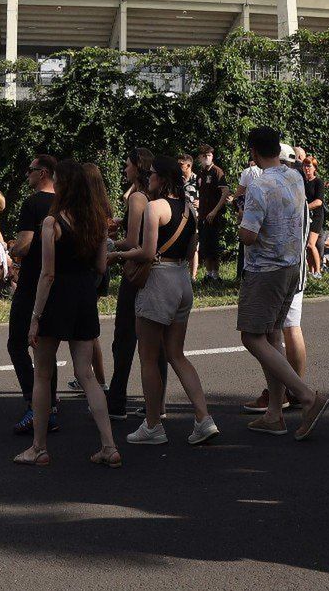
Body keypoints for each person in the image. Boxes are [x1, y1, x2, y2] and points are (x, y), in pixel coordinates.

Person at [16, 159, 118, 467]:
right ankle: (109, 445)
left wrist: (35, 316)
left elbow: (47, 274)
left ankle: (39, 447)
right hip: (84, 295)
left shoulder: (52, 223)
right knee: (86, 375)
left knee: (43, 375)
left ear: (65, 185)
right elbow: (101, 267)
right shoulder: (97, 221)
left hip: (56, 297)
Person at [115, 153, 217, 446]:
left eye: (151, 176)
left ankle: (153, 425)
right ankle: (203, 418)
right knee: (176, 354)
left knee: (148, 358)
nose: (149, 179)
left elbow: (146, 252)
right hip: (182, 280)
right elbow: (189, 251)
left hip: (159, 281)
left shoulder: (154, 207)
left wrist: (116, 255)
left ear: (160, 178)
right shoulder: (189, 209)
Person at [235, 126, 329, 439]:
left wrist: (239, 215)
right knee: (273, 336)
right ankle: (274, 414)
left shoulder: (259, 186)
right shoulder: (295, 177)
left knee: (251, 336)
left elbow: (248, 235)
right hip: (291, 265)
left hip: (265, 269)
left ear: (253, 152)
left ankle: (306, 396)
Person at [7, 154, 59, 435]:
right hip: (57, 282)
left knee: (17, 342)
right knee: (46, 346)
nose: (27, 174)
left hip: (32, 281)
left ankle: (34, 403)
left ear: (43, 173)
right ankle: (51, 405)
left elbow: (25, 244)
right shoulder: (65, 203)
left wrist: (12, 249)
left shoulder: (33, 203)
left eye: (31, 170)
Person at [105, 147, 152, 420]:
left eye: (127, 164)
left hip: (135, 272)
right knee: (154, 342)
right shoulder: (157, 194)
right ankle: (153, 404)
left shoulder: (137, 197)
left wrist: (109, 245)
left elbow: (133, 242)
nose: (124, 169)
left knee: (123, 338)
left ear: (137, 166)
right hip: (157, 273)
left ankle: (117, 401)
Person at [193, 146, 227, 280]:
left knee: (213, 245)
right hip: (202, 214)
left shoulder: (217, 172)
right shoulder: (200, 173)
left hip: (213, 215)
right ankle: (208, 274)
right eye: (205, 156)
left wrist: (214, 211)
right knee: (205, 245)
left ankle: (215, 274)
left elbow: (225, 193)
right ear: (200, 158)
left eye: (210, 155)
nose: (207, 158)